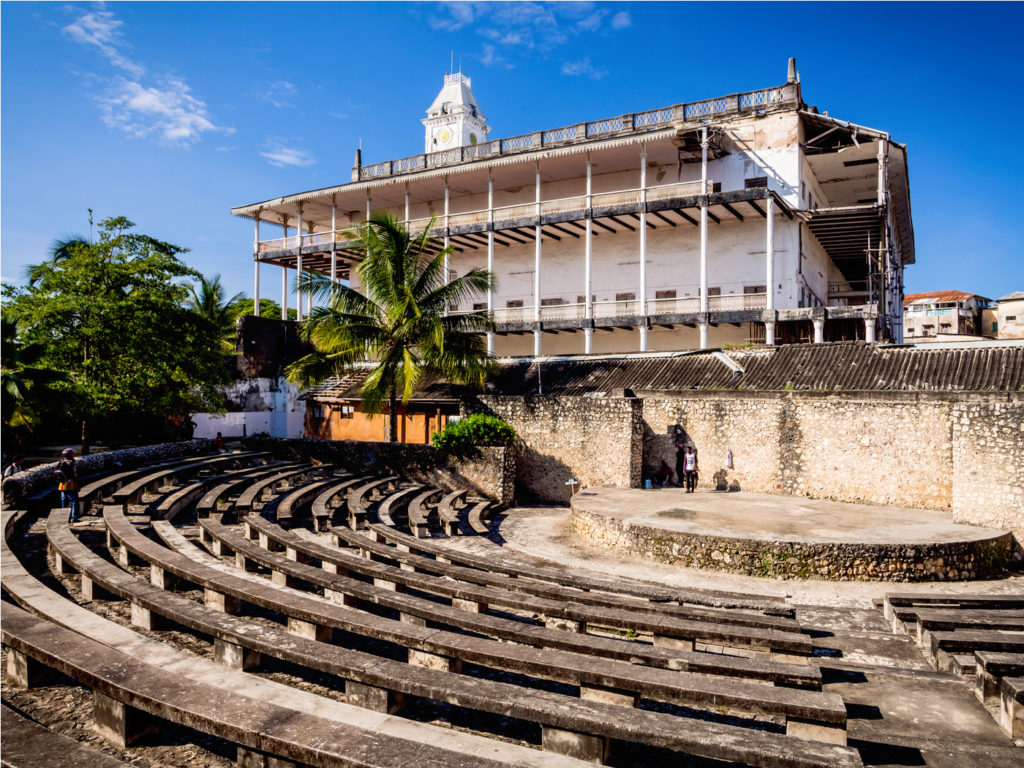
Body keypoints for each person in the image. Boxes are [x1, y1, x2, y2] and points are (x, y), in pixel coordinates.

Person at [55, 448, 80, 522]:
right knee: (75, 500)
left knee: (64, 501)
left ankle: (64, 518)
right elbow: (73, 475)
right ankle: (74, 517)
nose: (73, 455)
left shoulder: (61, 462)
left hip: (62, 485)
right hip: (70, 484)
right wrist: (77, 484)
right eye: (72, 454)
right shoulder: (71, 463)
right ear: (70, 455)